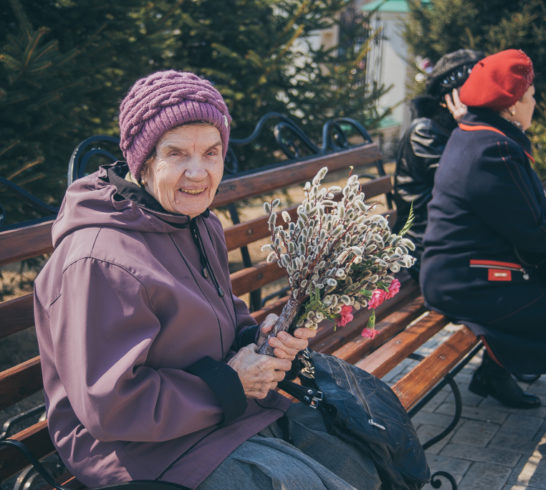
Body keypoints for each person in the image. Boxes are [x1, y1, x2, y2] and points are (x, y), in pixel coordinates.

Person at [33, 70, 382, 489]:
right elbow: (110, 407)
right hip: (141, 451)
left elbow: (222, 316)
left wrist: (261, 339)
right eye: (177, 154)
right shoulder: (99, 260)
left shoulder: (195, 221)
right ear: (142, 161)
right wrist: (231, 383)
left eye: (211, 153)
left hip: (218, 413)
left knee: (362, 460)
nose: (198, 173)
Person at [420, 49, 546, 450]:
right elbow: (537, 234)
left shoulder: (477, 135)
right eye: (530, 96)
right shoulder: (495, 149)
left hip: (461, 274)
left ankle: (500, 378)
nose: (535, 103)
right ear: (512, 105)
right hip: (469, 283)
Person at [392, 49, 540, 409]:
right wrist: (469, 128)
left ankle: (499, 367)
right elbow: (476, 184)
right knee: (518, 275)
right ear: (452, 96)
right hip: (424, 251)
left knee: (530, 266)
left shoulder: (466, 131)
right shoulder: (427, 133)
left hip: (458, 246)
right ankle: (500, 366)